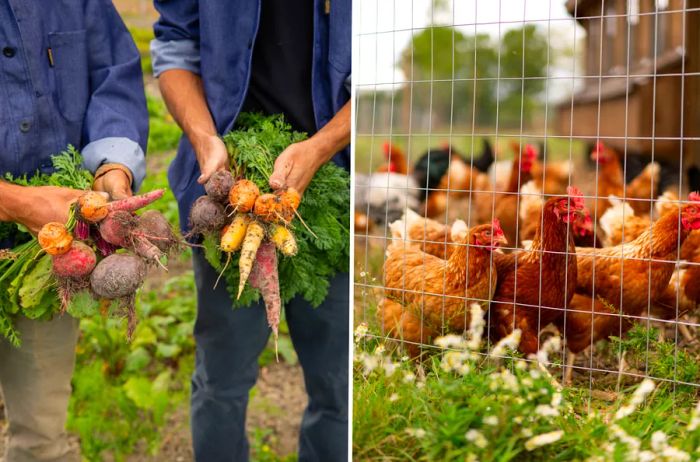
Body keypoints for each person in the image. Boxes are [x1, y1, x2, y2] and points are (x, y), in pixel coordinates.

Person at [150, 0, 350, 460]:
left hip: (335, 188)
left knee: (337, 386)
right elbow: (176, 47)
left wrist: (320, 147)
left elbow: (384, 75)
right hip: (228, 195)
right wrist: (205, 138)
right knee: (221, 381)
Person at [0, 1, 148, 460]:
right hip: (37, 219)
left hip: (49, 254)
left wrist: (112, 165)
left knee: (41, 432)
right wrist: (16, 201)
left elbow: (112, 74)